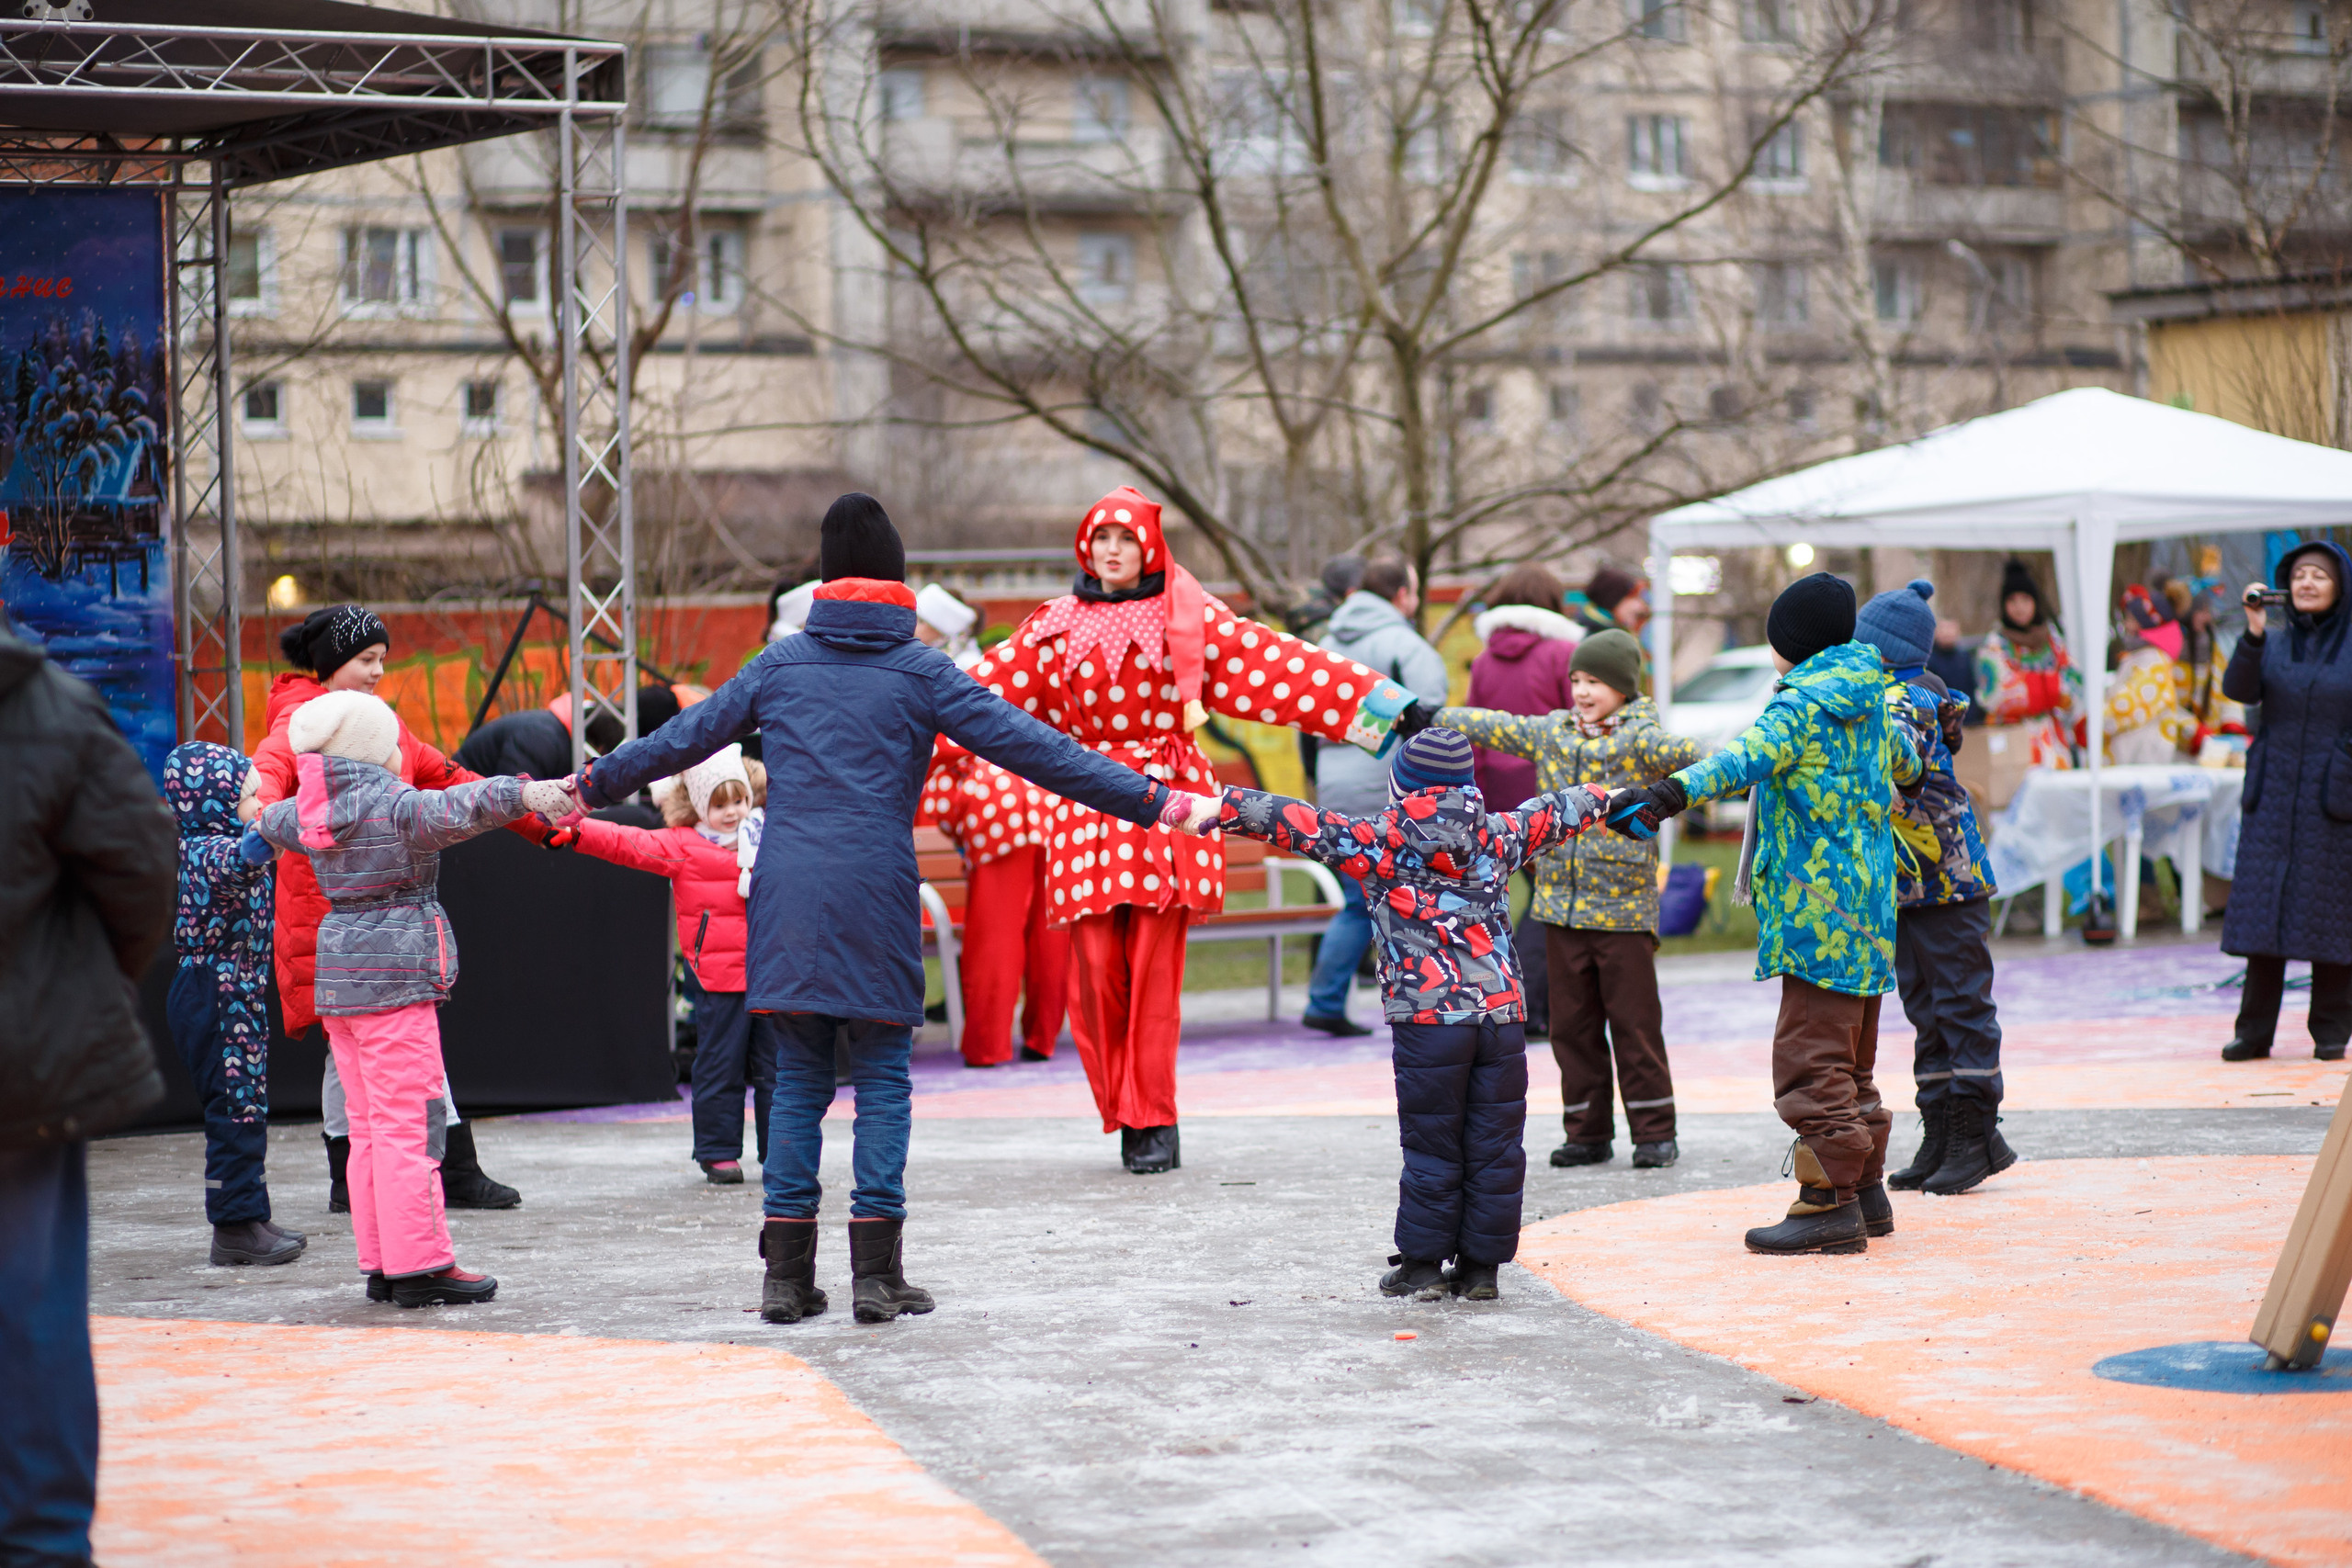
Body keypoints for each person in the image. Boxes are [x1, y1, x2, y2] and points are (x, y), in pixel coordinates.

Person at [574, 492, 1209, 1325]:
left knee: (796, 1078)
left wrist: (579, 789)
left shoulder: (779, 665)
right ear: (899, 577)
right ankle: (877, 1273)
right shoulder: (923, 670)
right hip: (876, 889)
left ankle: (785, 1278)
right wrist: (1157, 801)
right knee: (881, 1079)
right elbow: (1044, 752)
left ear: (825, 577)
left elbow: (674, 744)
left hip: (789, 894)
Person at [953, 488, 1403, 1172]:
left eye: (1124, 538)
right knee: (1096, 973)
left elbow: (1280, 669)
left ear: (1148, 547)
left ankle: (1153, 1116)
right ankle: (1122, 1105)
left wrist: (1388, 709)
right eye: (1099, 536)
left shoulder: (1187, 617)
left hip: (1168, 805)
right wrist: (872, 728)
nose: (1110, 549)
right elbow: (969, 695)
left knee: (1157, 973)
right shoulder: (1051, 626)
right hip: (1086, 806)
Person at [1174, 730, 1608, 1299]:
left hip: (1428, 1021)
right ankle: (1481, 1270)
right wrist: (1612, 794)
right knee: (1495, 1145)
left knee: (1433, 1143)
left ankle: (1423, 1267)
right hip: (1501, 1018)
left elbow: (1301, 821)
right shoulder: (1499, 834)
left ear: (1401, 784)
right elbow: (1556, 810)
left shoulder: (1381, 840)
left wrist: (1220, 807)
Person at [1605, 572, 1922, 1256]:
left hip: (1816, 914)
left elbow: (1740, 761)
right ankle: (1866, 1189)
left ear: (1795, 646)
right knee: (1851, 1061)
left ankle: (1824, 1204)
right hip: (1870, 909)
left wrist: (1664, 795)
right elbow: (1908, 762)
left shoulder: (1800, 705)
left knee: (1811, 1060)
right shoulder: (1870, 697)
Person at [249, 691, 573, 1307]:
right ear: (374, 746)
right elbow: (462, 804)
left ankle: (384, 1261)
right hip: (395, 979)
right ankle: (421, 1263)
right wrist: (525, 794)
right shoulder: (394, 805)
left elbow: (268, 820)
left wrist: (253, 810)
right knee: (411, 1128)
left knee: (370, 1131)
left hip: (340, 980)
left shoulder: (310, 810)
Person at [0, 608, 174, 1568]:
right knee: (32, 1306)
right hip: (22, 1063)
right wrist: (82, 989)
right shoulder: (48, 707)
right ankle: (42, 1542)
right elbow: (142, 871)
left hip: (27, 1055)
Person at [253, 604, 526, 1213]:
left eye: (382, 659)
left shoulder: (377, 722)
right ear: (329, 663)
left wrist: (527, 814)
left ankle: (364, 1178)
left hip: (363, 910)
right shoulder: (306, 720)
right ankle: (433, 1171)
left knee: (359, 1042)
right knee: (376, 1039)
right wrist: (258, 808)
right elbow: (269, 768)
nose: (379, 671)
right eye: (366, 659)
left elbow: (442, 770)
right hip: (332, 910)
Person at [1438, 627, 1703, 1169]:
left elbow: (1695, 756)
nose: (1582, 691)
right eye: (1577, 680)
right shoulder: (1552, 732)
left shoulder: (1642, 739)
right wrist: (1428, 715)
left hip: (1623, 911)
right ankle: (1586, 1131)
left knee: (1633, 1024)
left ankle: (1654, 1131)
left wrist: (1722, 769)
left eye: (1597, 681)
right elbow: (1494, 724)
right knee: (1571, 1027)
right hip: (1558, 905)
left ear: (1625, 688)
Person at [1853, 581, 2017, 1196]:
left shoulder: (1910, 701)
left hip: (1946, 879)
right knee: (1925, 1004)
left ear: (1883, 649)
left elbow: (1893, 763)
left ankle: (1975, 1129)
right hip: (1909, 884)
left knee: (1961, 1002)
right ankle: (1943, 1127)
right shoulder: (1897, 694)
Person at [561, 748, 771, 1183]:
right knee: (719, 1065)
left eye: (739, 800)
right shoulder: (684, 847)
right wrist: (577, 830)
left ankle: (785, 1152)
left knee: (780, 1069)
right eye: (719, 804)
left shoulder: (771, 837)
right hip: (716, 977)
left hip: (773, 974)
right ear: (698, 806)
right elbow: (626, 842)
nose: (732, 812)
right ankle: (718, 1151)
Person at [161, 742, 303, 1266]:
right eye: (249, 795)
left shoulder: (208, 843)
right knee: (234, 1105)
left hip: (232, 989)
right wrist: (297, 815)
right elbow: (248, 854)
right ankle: (233, 1229)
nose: (258, 803)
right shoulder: (210, 852)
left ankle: (250, 1213)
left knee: (247, 1102)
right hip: (214, 992)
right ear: (215, 801)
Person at [1306, 556, 1453, 1036]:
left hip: (1334, 780)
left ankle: (1326, 998)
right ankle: (1421, 998)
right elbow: (1432, 723)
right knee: (1403, 896)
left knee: (1357, 897)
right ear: (1401, 595)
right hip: (1385, 785)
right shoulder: (1403, 644)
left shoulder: (1325, 644)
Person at [2220, 542, 2352, 1063]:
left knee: (2333, 915)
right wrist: (2252, 631)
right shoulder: (2270, 642)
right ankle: (2253, 1032)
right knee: (2263, 915)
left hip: (2335, 794)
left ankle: (2331, 1030)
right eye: (2300, 576)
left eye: (2320, 575)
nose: (2309, 583)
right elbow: (2238, 690)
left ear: (2340, 585)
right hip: (2273, 794)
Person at [1464, 562, 1584, 1039]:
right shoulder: (1564, 653)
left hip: (1497, 790)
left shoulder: (1483, 660)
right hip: (1547, 787)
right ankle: (1534, 1005)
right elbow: (1575, 726)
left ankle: (1507, 995)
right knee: (1549, 897)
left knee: (1515, 897)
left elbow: (1474, 731)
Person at [1974, 558, 2082, 768]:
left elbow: (2074, 684)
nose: (2019, 607)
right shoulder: (1995, 644)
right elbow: (1996, 695)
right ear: (2004, 606)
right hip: (2012, 741)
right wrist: (2050, 688)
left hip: (2053, 744)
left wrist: (2030, 685)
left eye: (2025, 599)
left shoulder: (2052, 640)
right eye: (2012, 601)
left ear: (2035, 602)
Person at [2105, 585, 2196, 766]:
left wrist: (2095, 722)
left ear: (2148, 623)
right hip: (2135, 756)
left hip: (2142, 757)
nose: (2127, 625)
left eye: (2132, 619)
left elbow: (2130, 704)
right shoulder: (2141, 657)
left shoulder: (2153, 661)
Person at [1577, 566, 1651, 640]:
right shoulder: (1608, 643)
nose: (1642, 606)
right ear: (1615, 601)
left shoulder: (1607, 636)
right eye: (1635, 596)